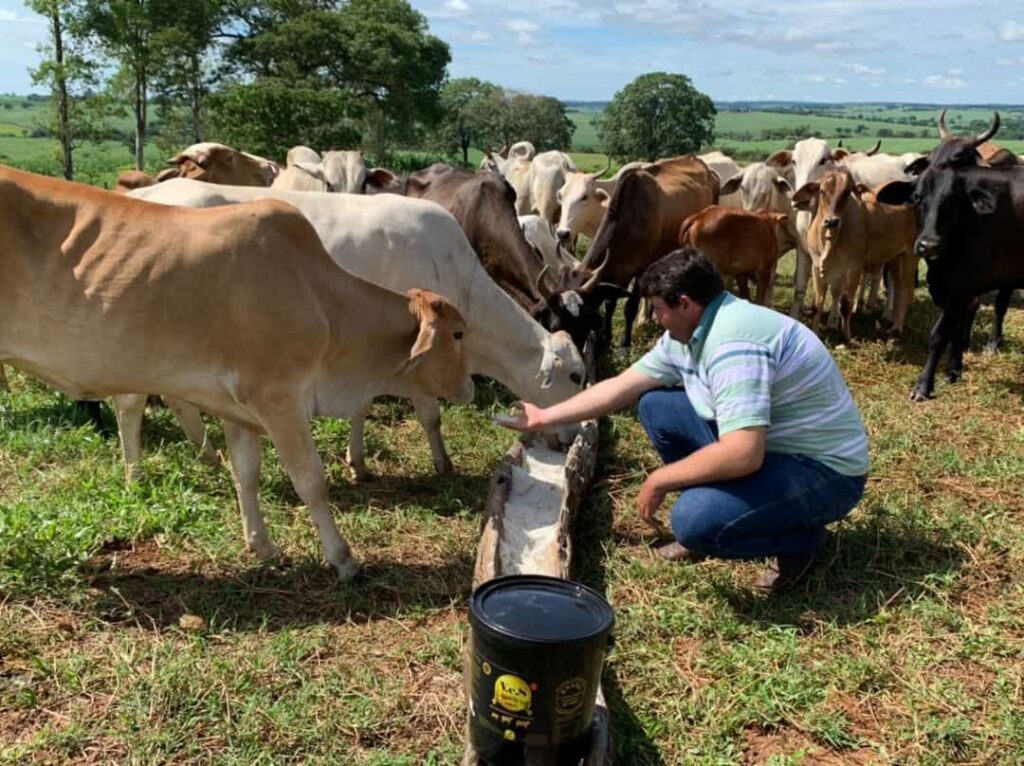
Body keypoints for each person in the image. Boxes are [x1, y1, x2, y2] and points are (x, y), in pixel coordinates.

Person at [497, 247, 868, 592]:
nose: (655, 319)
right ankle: (733, 505)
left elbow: (744, 454)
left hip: (824, 474)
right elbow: (623, 387)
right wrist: (543, 416)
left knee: (692, 521)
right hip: (776, 449)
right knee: (657, 406)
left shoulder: (733, 344)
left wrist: (661, 478)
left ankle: (801, 541)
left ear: (686, 303)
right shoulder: (691, 330)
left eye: (658, 309)